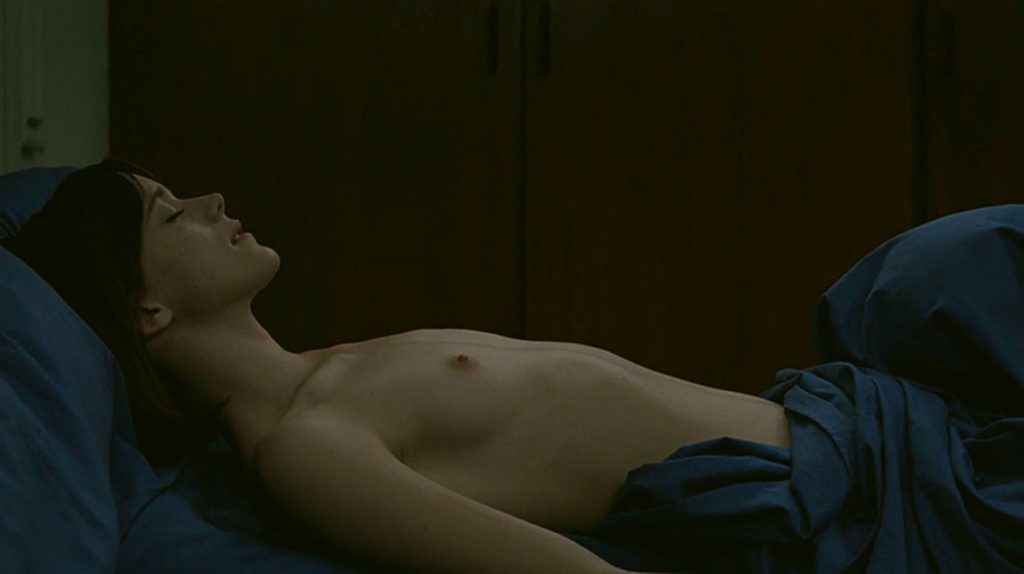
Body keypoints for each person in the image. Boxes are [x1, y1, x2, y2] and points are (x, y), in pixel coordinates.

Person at [2, 157, 791, 574]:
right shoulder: (303, 446)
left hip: (817, 418)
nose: (210, 201)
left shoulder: (330, 370)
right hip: (811, 498)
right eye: (173, 215)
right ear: (147, 310)